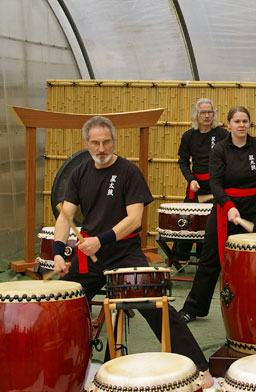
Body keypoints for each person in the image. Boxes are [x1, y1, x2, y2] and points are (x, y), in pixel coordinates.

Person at [53, 116, 214, 387]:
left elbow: (134, 219)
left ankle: (200, 368)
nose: (101, 148)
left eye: (106, 142)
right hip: (91, 259)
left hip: (124, 255)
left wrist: (100, 241)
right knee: (60, 305)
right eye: (95, 143)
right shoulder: (80, 173)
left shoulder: (128, 172)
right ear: (86, 143)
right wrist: (58, 252)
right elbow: (64, 215)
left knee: (153, 304)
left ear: (114, 141)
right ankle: (65, 366)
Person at [179, 106, 256, 322]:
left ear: (249, 123)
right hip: (227, 209)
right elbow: (215, 184)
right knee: (209, 259)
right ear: (229, 124)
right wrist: (228, 206)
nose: (241, 125)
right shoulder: (220, 150)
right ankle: (192, 308)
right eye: (237, 121)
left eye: (245, 121)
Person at [174, 98, 228, 264]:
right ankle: (179, 257)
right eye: (203, 112)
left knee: (211, 223)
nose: (206, 116)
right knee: (188, 222)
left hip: (216, 185)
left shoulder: (222, 134)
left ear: (214, 114)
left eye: (209, 112)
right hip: (196, 185)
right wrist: (190, 179)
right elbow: (183, 161)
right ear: (197, 115)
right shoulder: (189, 136)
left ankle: (207, 258)